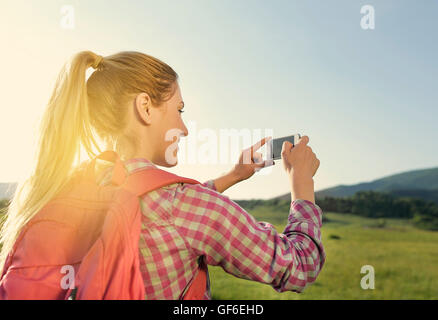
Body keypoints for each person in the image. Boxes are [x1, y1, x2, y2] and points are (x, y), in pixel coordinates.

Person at [0, 51, 325, 299]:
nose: (183, 128)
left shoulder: (78, 186)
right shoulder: (182, 207)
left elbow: (157, 206)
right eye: (179, 110)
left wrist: (233, 176)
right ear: (144, 107)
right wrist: (302, 186)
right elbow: (299, 266)